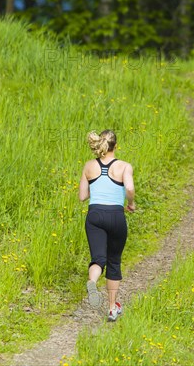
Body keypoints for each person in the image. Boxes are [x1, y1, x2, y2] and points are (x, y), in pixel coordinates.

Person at [78, 129, 135, 322]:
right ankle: (112, 308)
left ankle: (92, 281)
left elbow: (82, 197)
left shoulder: (88, 166)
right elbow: (129, 188)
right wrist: (131, 203)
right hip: (116, 216)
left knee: (98, 258)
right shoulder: (124, 166)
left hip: (94, 215)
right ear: (115, 146)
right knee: (114, 261)